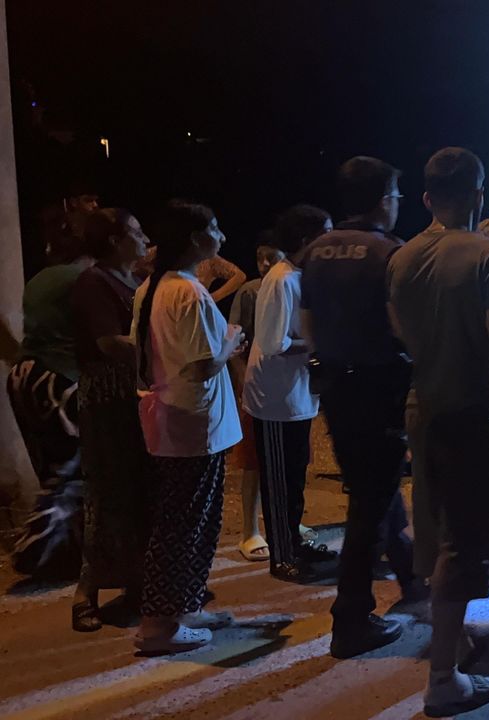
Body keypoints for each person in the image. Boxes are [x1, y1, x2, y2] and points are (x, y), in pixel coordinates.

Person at [387, 147, 489, 716]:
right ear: (478, 195)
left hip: (423, 407)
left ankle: (455, 639)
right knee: (464, 543)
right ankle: (443, 678)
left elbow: (401, 331)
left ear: (426, 198)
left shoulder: (402, 258)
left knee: (435, 527)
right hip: (472, 411)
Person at [300, 157, 420, 659]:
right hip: (380, 385)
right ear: (382, 199)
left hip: (335, 386)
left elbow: (306, 323)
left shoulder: (315, 250)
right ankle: (351, 618)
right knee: (370, 502)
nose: (398, 204)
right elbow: (402, 326)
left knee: (372, 486)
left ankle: (411, 573)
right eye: (396, 195)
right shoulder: (389, 252)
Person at [131, 201, 244, 655]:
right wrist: (232, 342)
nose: (221, 236)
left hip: (177, 419)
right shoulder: (188, 292)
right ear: (196, 239)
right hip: (194, 422)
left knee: (192, 520)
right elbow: (202, 366)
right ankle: (158, 625)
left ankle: (185, 607)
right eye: (214, 228)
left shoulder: (152, 287)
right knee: (182, 526)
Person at [67, 209, 150, 632]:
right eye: (137, 231)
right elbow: (108, 343)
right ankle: (86, 594)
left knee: (138, 493)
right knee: (105, 494)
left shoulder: (132, 281)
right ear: (115, 240)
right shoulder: (93, 282)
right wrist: (164, 347)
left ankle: (137, 584)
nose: (145, 238)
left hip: (132, 399)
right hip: (106, 402)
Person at [244, 205, 334, 582]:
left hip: (294, 394)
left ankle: (293, 543)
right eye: (324, 234)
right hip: (275, 398)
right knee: (279, 481)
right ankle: (282, 557)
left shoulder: (300, 275)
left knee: (294, 476)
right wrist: (316, 342)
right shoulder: (281, 280)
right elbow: (272, 342)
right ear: (305, 240)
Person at [7, 229, 93, 491]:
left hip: (25, 374)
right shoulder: (83, 278)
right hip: (60, 376)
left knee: (52, 476)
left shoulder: (39, 279)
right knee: (73, 478)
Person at [228, 243, 286, 562]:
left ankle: (286, 519)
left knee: (288, 457)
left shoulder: (292, 283)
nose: (264, 264)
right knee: (253, 459)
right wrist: (242, 381)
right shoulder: (250, 291)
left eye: (271, 257)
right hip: (258, 384)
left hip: (286, 387)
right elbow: (236, 340)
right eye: (259, 258)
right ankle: (249, 529)